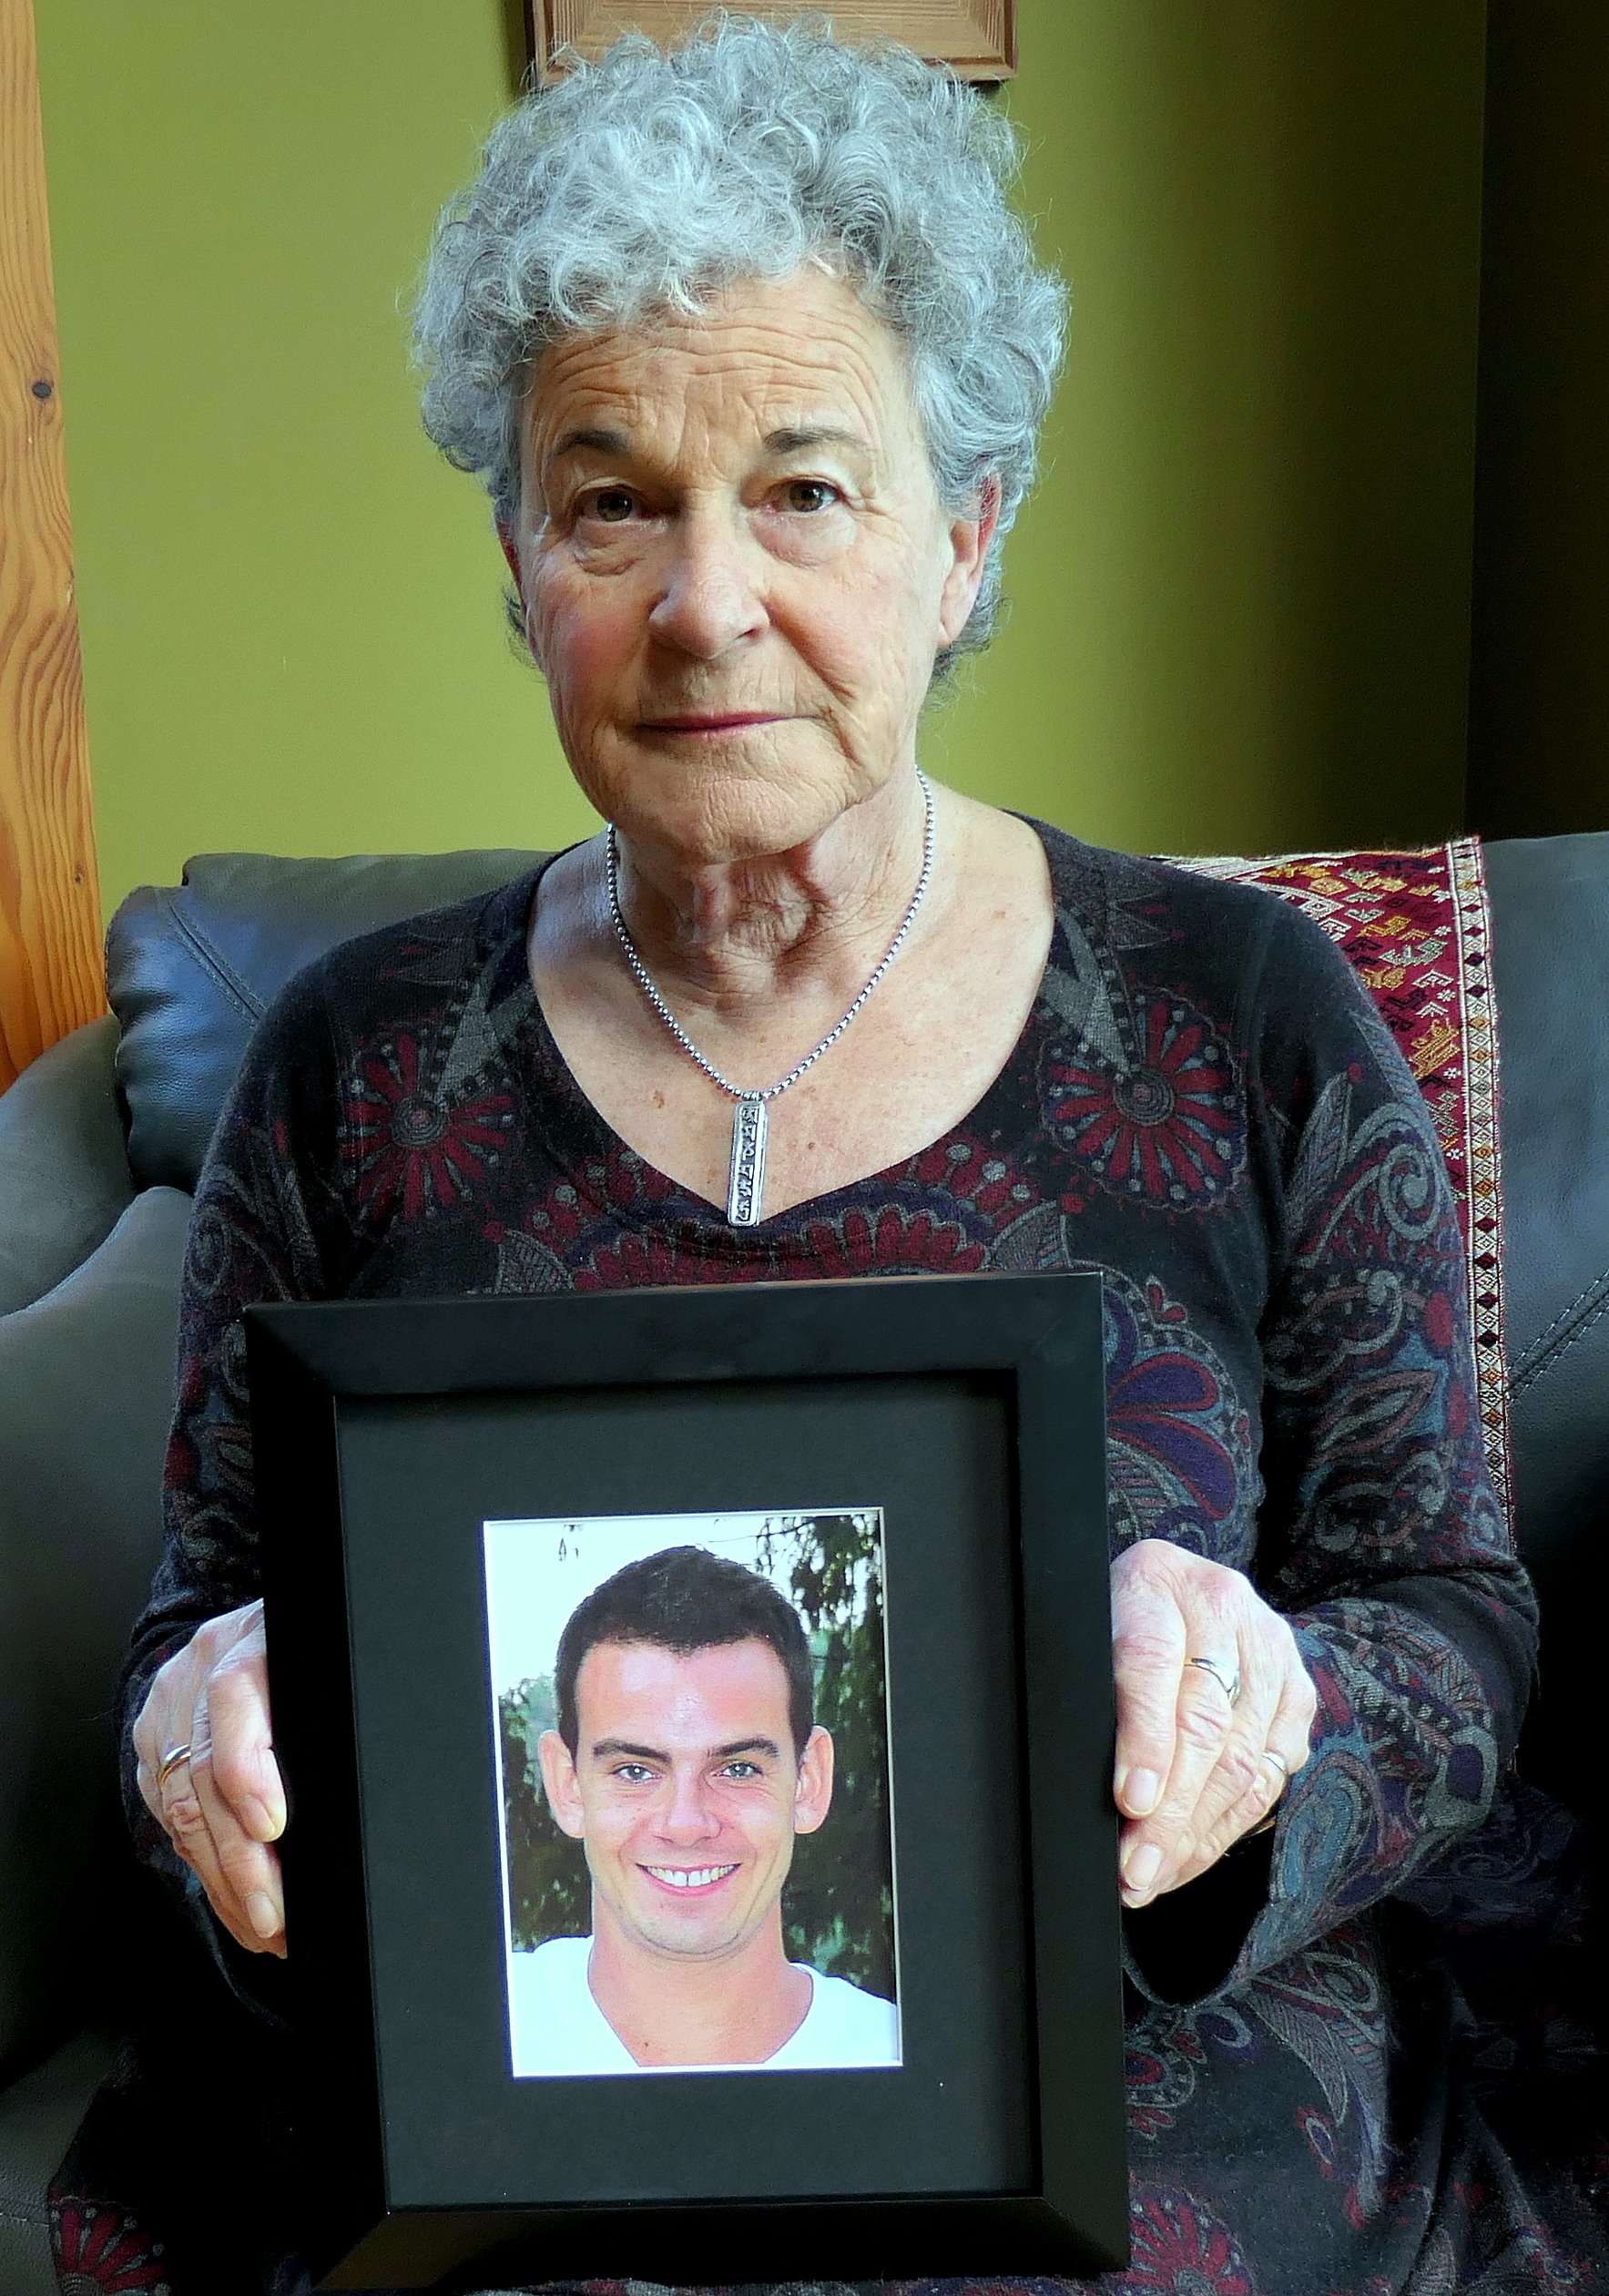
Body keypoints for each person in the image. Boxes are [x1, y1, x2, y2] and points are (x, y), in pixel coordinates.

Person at [60, 15, 1603, 2294]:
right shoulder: (344, 1069)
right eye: (611, 499)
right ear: (515, 563)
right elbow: (198, 1621)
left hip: (1157, 2115)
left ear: (965, 538)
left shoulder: (1239, 1015)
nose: (704, 603)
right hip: (527, 2154)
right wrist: (206, 1726)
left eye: (803, 486)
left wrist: (1275, 1709)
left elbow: (1451, 1623)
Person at [509, 1545, 898, 2075]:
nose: (686, 1825)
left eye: (737, 1769)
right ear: (567, 1785)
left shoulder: (899, 2057)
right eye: (634, 1771)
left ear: (809, 1781)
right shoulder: (472, 2039)